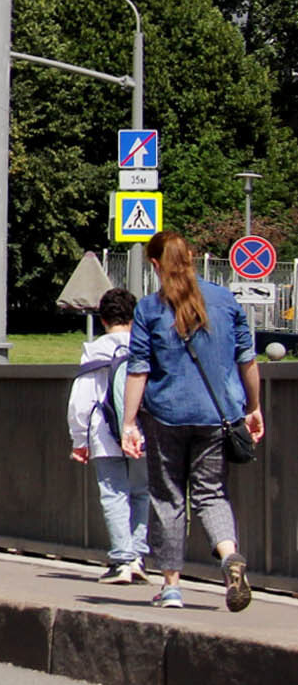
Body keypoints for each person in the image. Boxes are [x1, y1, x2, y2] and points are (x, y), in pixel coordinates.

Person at [120, 232, 259, 611]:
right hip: (216, 417)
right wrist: (253, 407)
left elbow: (138, 370)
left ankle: (171, 587)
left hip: (167, 416)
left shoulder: (149, 309)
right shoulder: (224, 299)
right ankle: (230, 555)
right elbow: (247, 358)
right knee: (211, 493)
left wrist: (129, 422)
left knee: (168, 497)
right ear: (194, 258)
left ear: (154, 265)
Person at [68, 289, 146, 582]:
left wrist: (79, 440)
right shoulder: (145, 348)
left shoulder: (96, 351)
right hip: (141, 433)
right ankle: (138, 557)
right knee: (142, 493)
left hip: (104, 432)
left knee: (114, 495)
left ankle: (121, 560)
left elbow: (81, 401)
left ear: (102, 320)